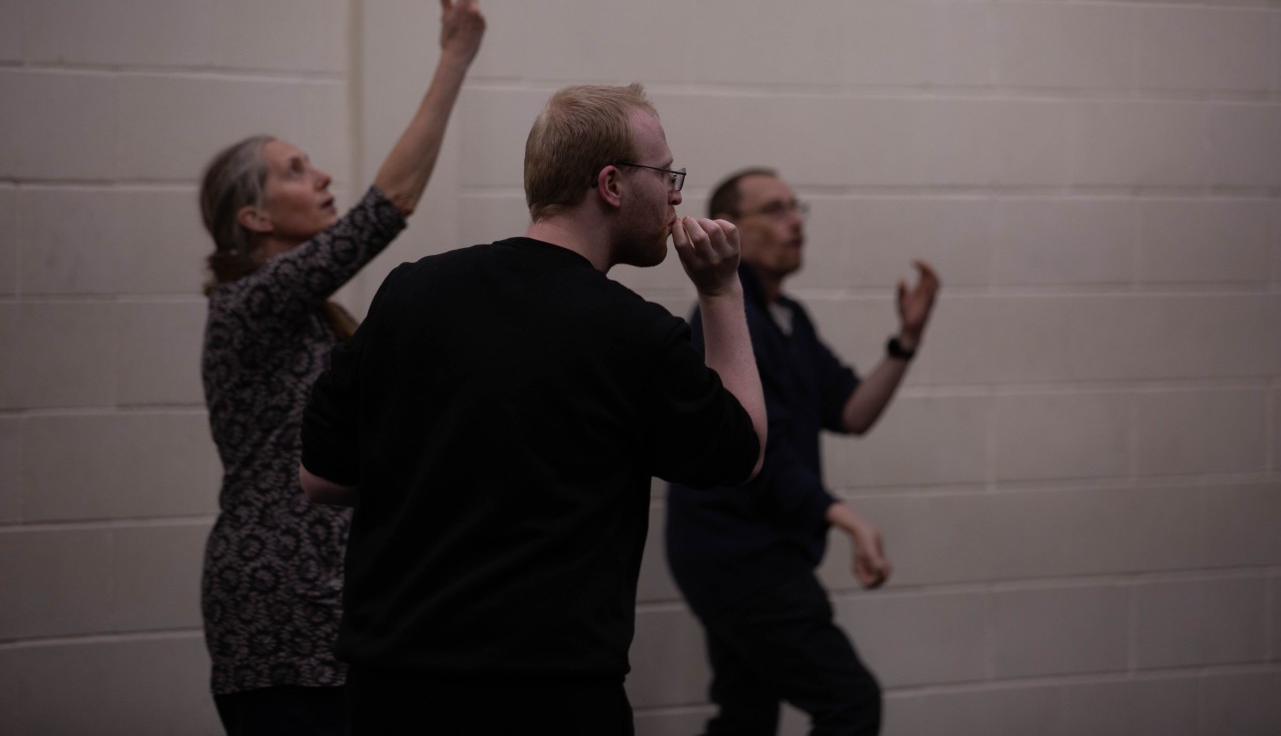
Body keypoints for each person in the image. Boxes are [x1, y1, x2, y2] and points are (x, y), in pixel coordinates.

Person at [299, 84, 769, 735]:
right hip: (547, 694)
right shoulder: (633, 335)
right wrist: (720, 292)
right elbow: (741, 454)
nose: (676, 194)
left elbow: (321, 478)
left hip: (391, 688)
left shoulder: (410, 292)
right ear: (610, 183)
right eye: (665, 175)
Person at [196, 0, 485, 735]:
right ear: (253, 219)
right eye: (295, 171)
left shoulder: (312, 316)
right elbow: (386, 210)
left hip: (338, 607)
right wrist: (453, 60)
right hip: (280, 615)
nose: (320, 176)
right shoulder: (247, 306)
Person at [665, 168, 941, 736]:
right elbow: (762, 459)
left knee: (747, 716)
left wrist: (905, 340)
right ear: (731, 228)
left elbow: (851, 412)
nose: (795, 222)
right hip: (739, 557)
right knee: (850, 702)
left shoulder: (789, 319)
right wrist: (849, 521)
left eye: (797, 208)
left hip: (748, 554)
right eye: (775, 210)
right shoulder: (725, 320)